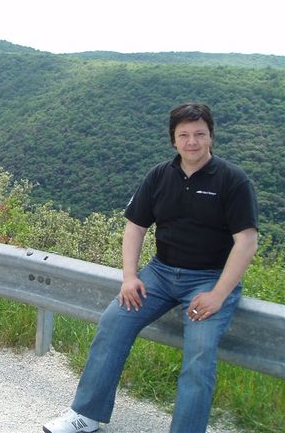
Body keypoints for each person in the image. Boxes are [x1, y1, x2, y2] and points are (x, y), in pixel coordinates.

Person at [43, 103, 259, 433]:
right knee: (113, 322)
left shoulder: (232, 180)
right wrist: (130, 277)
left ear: (211, 137)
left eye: (199, 134)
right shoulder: (160, 175)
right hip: (160, 273)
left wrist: (218, 295)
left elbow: (246, 242)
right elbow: (135, 226)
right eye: (183, 135)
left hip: (209, 280)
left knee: (199, 354)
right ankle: (86, 415)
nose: (192, 142)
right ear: (173, 139)